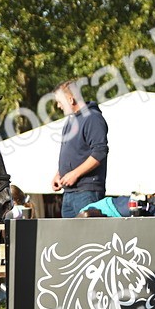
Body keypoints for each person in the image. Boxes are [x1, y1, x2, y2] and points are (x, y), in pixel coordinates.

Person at [50, 79, 109, 218]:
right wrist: (59, 174)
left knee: (88, 232)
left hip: (87, 192)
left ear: (71, 100)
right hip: (68, 192)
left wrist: (75, 174)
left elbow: (100, 152)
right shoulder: (70, 121)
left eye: (60, 102)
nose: (58, 106)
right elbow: (73, 153)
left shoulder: (93, 118)